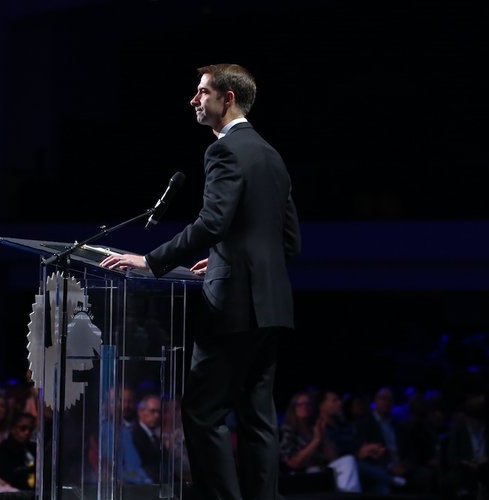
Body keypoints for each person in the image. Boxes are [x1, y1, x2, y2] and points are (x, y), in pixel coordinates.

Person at [101, 63, 301, 500]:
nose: (194, 100)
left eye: (202, 92)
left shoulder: (223, 151)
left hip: (233, 305)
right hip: (272, 306)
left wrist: (150, 260)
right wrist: (227, 256)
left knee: (203, 412)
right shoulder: (271, 155)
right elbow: (288, 240)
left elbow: (212, 222)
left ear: (228, 99)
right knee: (257, 418)